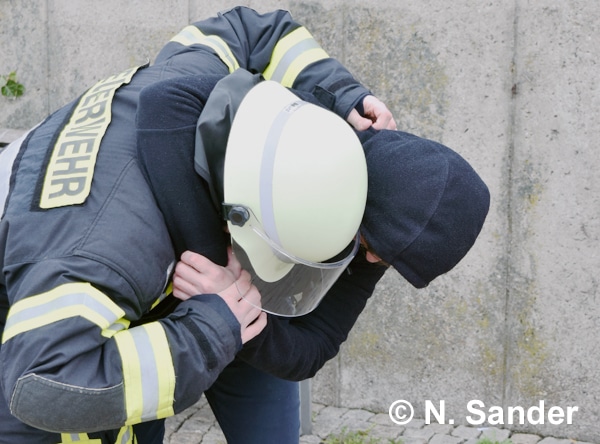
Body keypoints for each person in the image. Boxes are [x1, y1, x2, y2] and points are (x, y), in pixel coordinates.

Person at [0, 7, 403, 444]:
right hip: (30, 329)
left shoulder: (199, 82)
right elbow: (44, 387)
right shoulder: (112, 250)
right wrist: (214, 327)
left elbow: (257, 31)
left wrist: (343, 93)